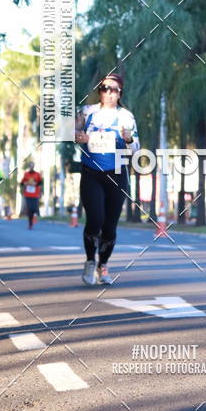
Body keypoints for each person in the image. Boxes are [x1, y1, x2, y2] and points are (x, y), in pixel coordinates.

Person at [75, 73, 139, 286]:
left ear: (120, 93)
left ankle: (103, 265)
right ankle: (89, 261)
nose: (108, 92)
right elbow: (71, 131)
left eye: (113, 89)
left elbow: (136, 149)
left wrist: (128, 139)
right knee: (94, 219)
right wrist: (77, 135)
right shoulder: (87, 112)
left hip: (118, 173)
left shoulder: (126, 117)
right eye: (104, 88)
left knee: (110, 226)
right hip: (91, 172)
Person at [20, 162, 43, 229]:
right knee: (29, 209)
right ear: (29, 166)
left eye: (33, 166)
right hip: (28, 194)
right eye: (30, 166)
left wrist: (35, 184)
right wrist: (25, 183)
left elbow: (40, 182)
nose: (31, 167)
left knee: (34, 209)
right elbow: (21, 183)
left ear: (34, 166)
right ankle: (30, 224)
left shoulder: (37, 174)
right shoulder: (26, 174)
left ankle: (32, 220)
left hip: (35, 194)